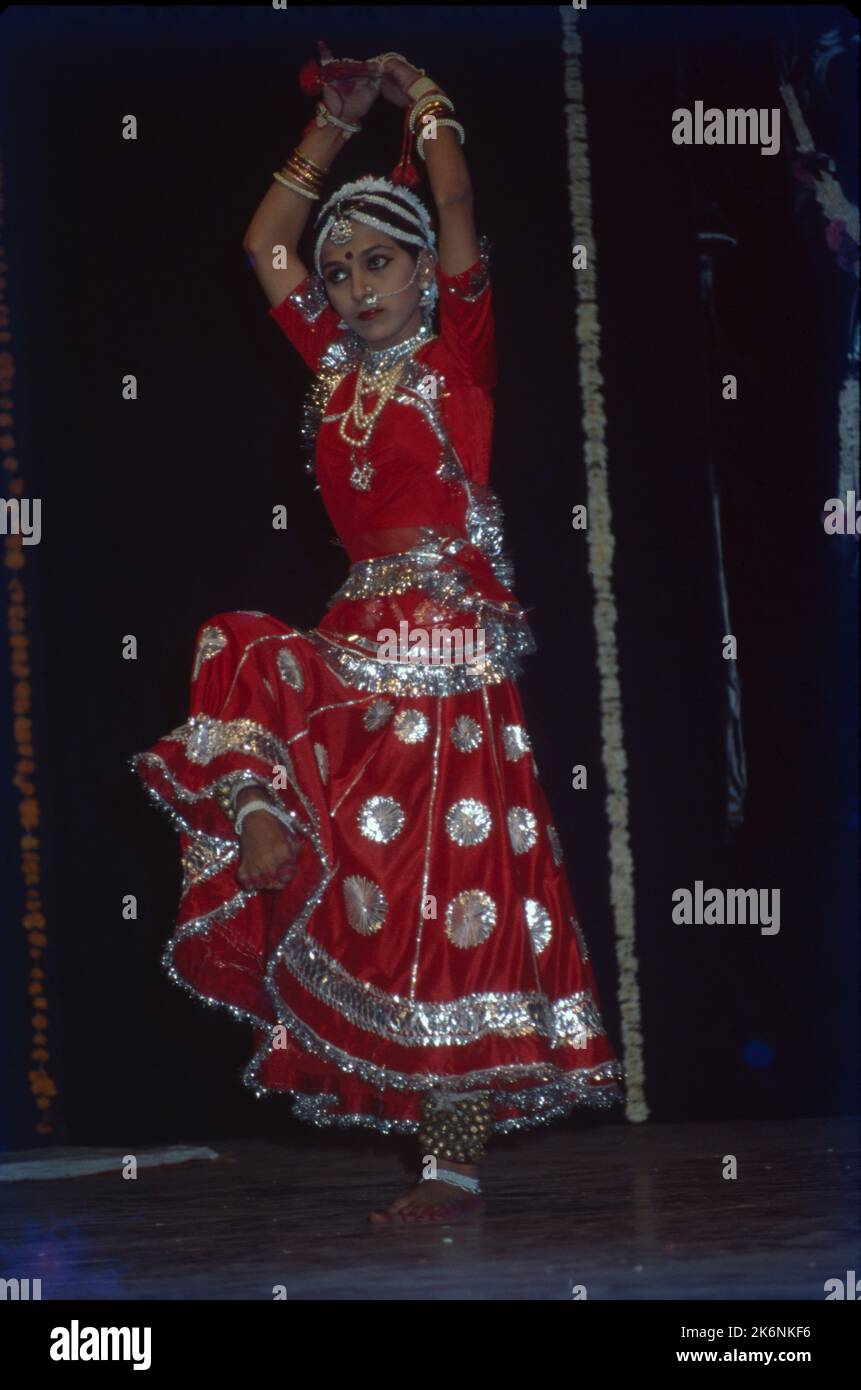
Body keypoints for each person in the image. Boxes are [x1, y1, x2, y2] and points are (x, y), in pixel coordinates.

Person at [131, 43, 625, 1225]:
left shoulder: (456, 360)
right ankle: (263, 822)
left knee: (452, 888)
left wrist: (423, 103)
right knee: (239, 643)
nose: (353, 287)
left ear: (423, 275)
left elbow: (452, 200)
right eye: (342, 269)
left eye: (379, 264)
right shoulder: (329, 372)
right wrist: (331, 129)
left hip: (450, 652)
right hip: (360, 631)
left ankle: (450, 1160)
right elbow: (264, 248)